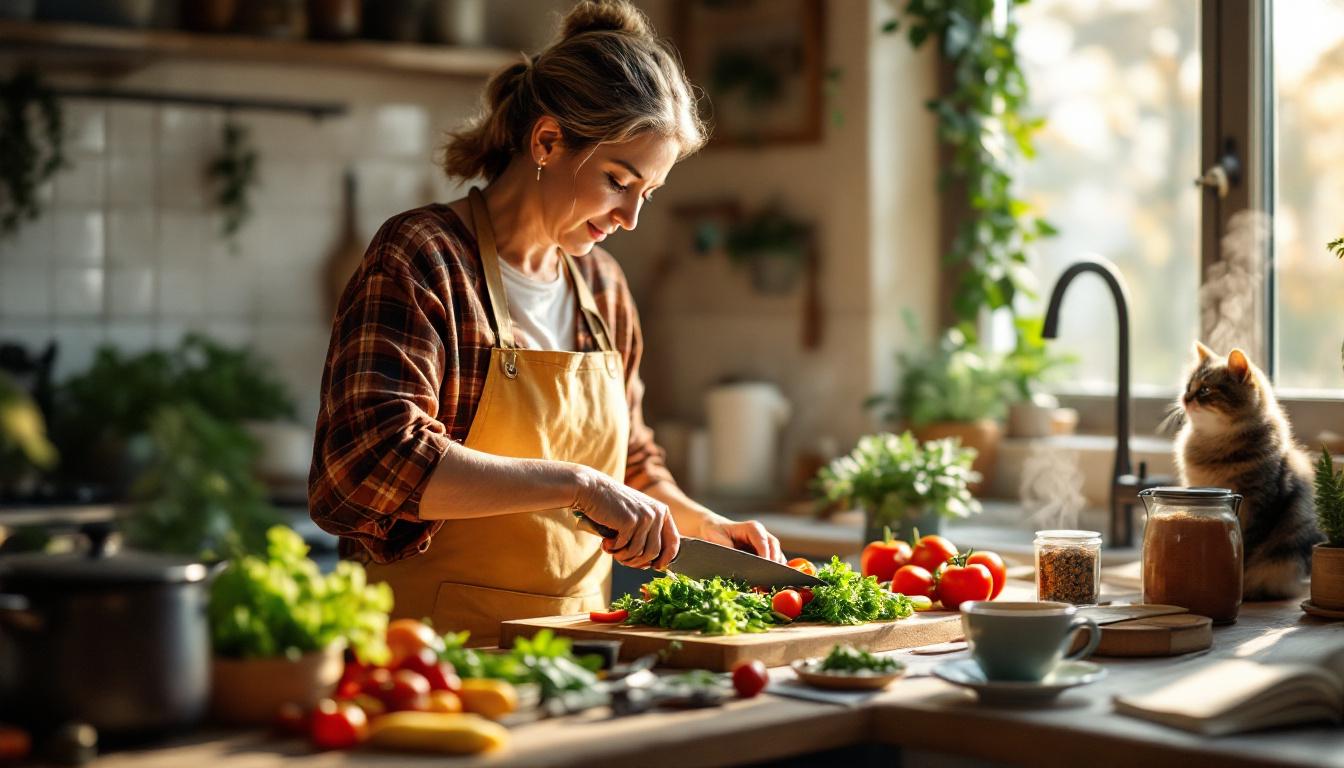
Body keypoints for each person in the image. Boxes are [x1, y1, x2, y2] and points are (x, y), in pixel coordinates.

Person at [308, 0, 784, 646]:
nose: (630, 218)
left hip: (573, 655)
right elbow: (370, 461)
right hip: (428, 663)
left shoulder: (604, 288)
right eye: (619, 181)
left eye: (648, 193)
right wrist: (574, 484)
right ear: (548, 141)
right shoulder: (423, 258)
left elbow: (632, 464)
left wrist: (701, 525)